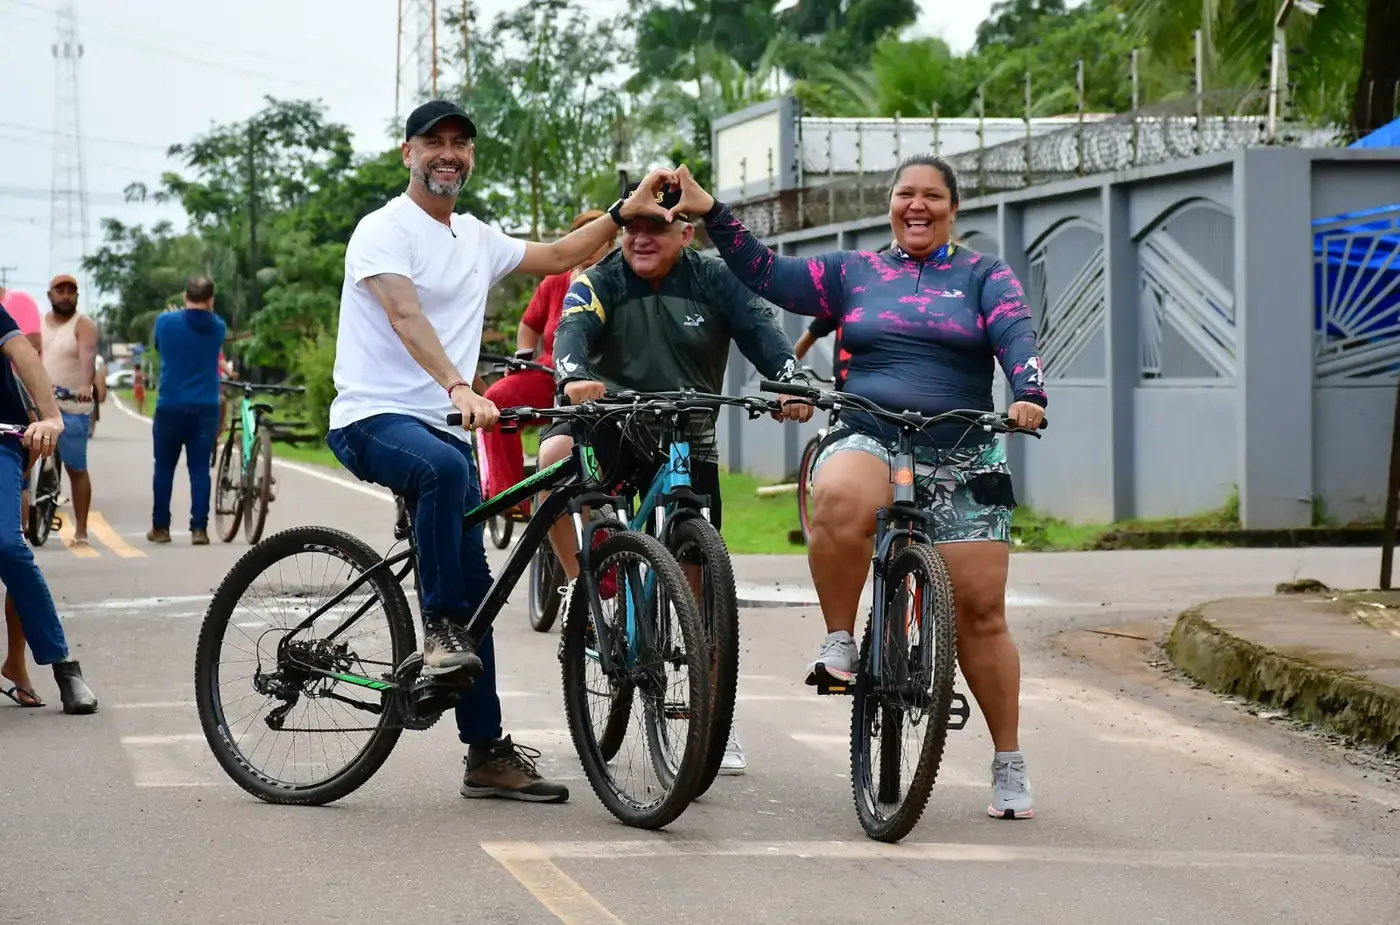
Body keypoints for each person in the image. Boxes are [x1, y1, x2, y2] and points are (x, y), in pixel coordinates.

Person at [669, 155, 1049, 820]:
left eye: (933, 195)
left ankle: (1008, 759)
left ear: (953, 208)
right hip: (870, 428)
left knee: (982, 611)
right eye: (906, 194)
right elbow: (767, 272)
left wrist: (1029, 393)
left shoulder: (985, 275)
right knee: (840, 493)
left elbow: (1017, 334)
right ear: (890, 203)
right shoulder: (854, 272)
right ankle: (841, 640)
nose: (918, 206)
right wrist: (711, 213)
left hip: (962, 445)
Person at [324, 99, 679, 804]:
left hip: (442, 425)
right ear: (408, 154)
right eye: (434, 143)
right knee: (447, 469)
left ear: (471, 156)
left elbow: (564, 254)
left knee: (480, 584)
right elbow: (404, 314)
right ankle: (439, 629)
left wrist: (625, 207)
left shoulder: (476, 238)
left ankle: (485, 752)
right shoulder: (382, 230)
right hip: (372, 416)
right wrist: (459, 383)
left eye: (461, 142)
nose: (448, 154)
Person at [545, 181, 813, 776]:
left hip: (687, 435)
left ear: (684, 232)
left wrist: (791, 378)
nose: (641, 237)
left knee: (700, 582)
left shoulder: (715, 278)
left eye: (657, 227)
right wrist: (573, 376)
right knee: (554, 458)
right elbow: (571, 333)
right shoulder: (600, 279)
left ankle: (709, 713)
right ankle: (581, 588)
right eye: (633, 225)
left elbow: (764, 331)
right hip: (608, 421)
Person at [477, 208, 615, 506]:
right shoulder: (555, 282)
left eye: (597, 239)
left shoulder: (619, 280)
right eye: (582, 239)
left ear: (610, 243)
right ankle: (510, 497)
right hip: (551, 373)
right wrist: (522, 356)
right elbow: (529, 324)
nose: (588, 247)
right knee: (497, 403)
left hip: (603, 379)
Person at [0, 303, 99, 713]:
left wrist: (52, 417)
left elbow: (23, 354)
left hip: (4, 439)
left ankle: (59, 664)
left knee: (7, 545)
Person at [147, 276, 227, 545]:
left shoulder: (164, 322)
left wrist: (172, 318)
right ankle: (199, 529)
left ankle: (161, 527)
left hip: (170, 404)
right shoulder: (218, 327)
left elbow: (161, 347)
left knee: (164, 468)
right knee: (200, 469)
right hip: (206, 407)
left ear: (185, 296)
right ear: (211, 299)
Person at [40, 274, 97, 547]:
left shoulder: (83, 325)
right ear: (49, 294)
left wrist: (86, 384)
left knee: (76, 468)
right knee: (26, 465)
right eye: (59, 291)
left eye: (70, 292)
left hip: (73, 405)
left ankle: (82, 531)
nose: (65, 296)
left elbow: (88, 356)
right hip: (41, 404)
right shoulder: (38, 323)